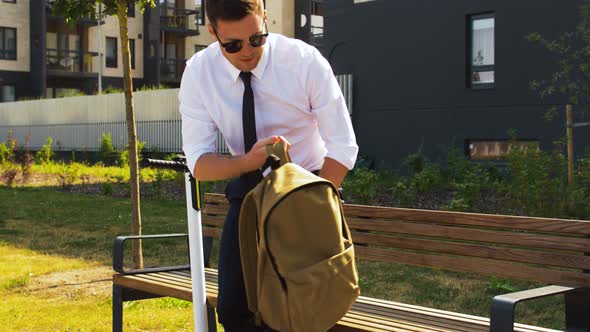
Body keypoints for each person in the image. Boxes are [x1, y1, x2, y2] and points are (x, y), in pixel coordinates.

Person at [179, 0, 358, 330]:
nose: (246, 52)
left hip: (308, 187)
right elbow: (199, 163)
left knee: (307, 306)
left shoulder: (303, 61)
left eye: (256, 39)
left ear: (264, 17)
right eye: (231, 45)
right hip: (249, 192)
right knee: (234, 311)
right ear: (212, 32)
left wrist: (315, 205)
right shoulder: (199, 72)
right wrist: (248, 161)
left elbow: (343, 146)